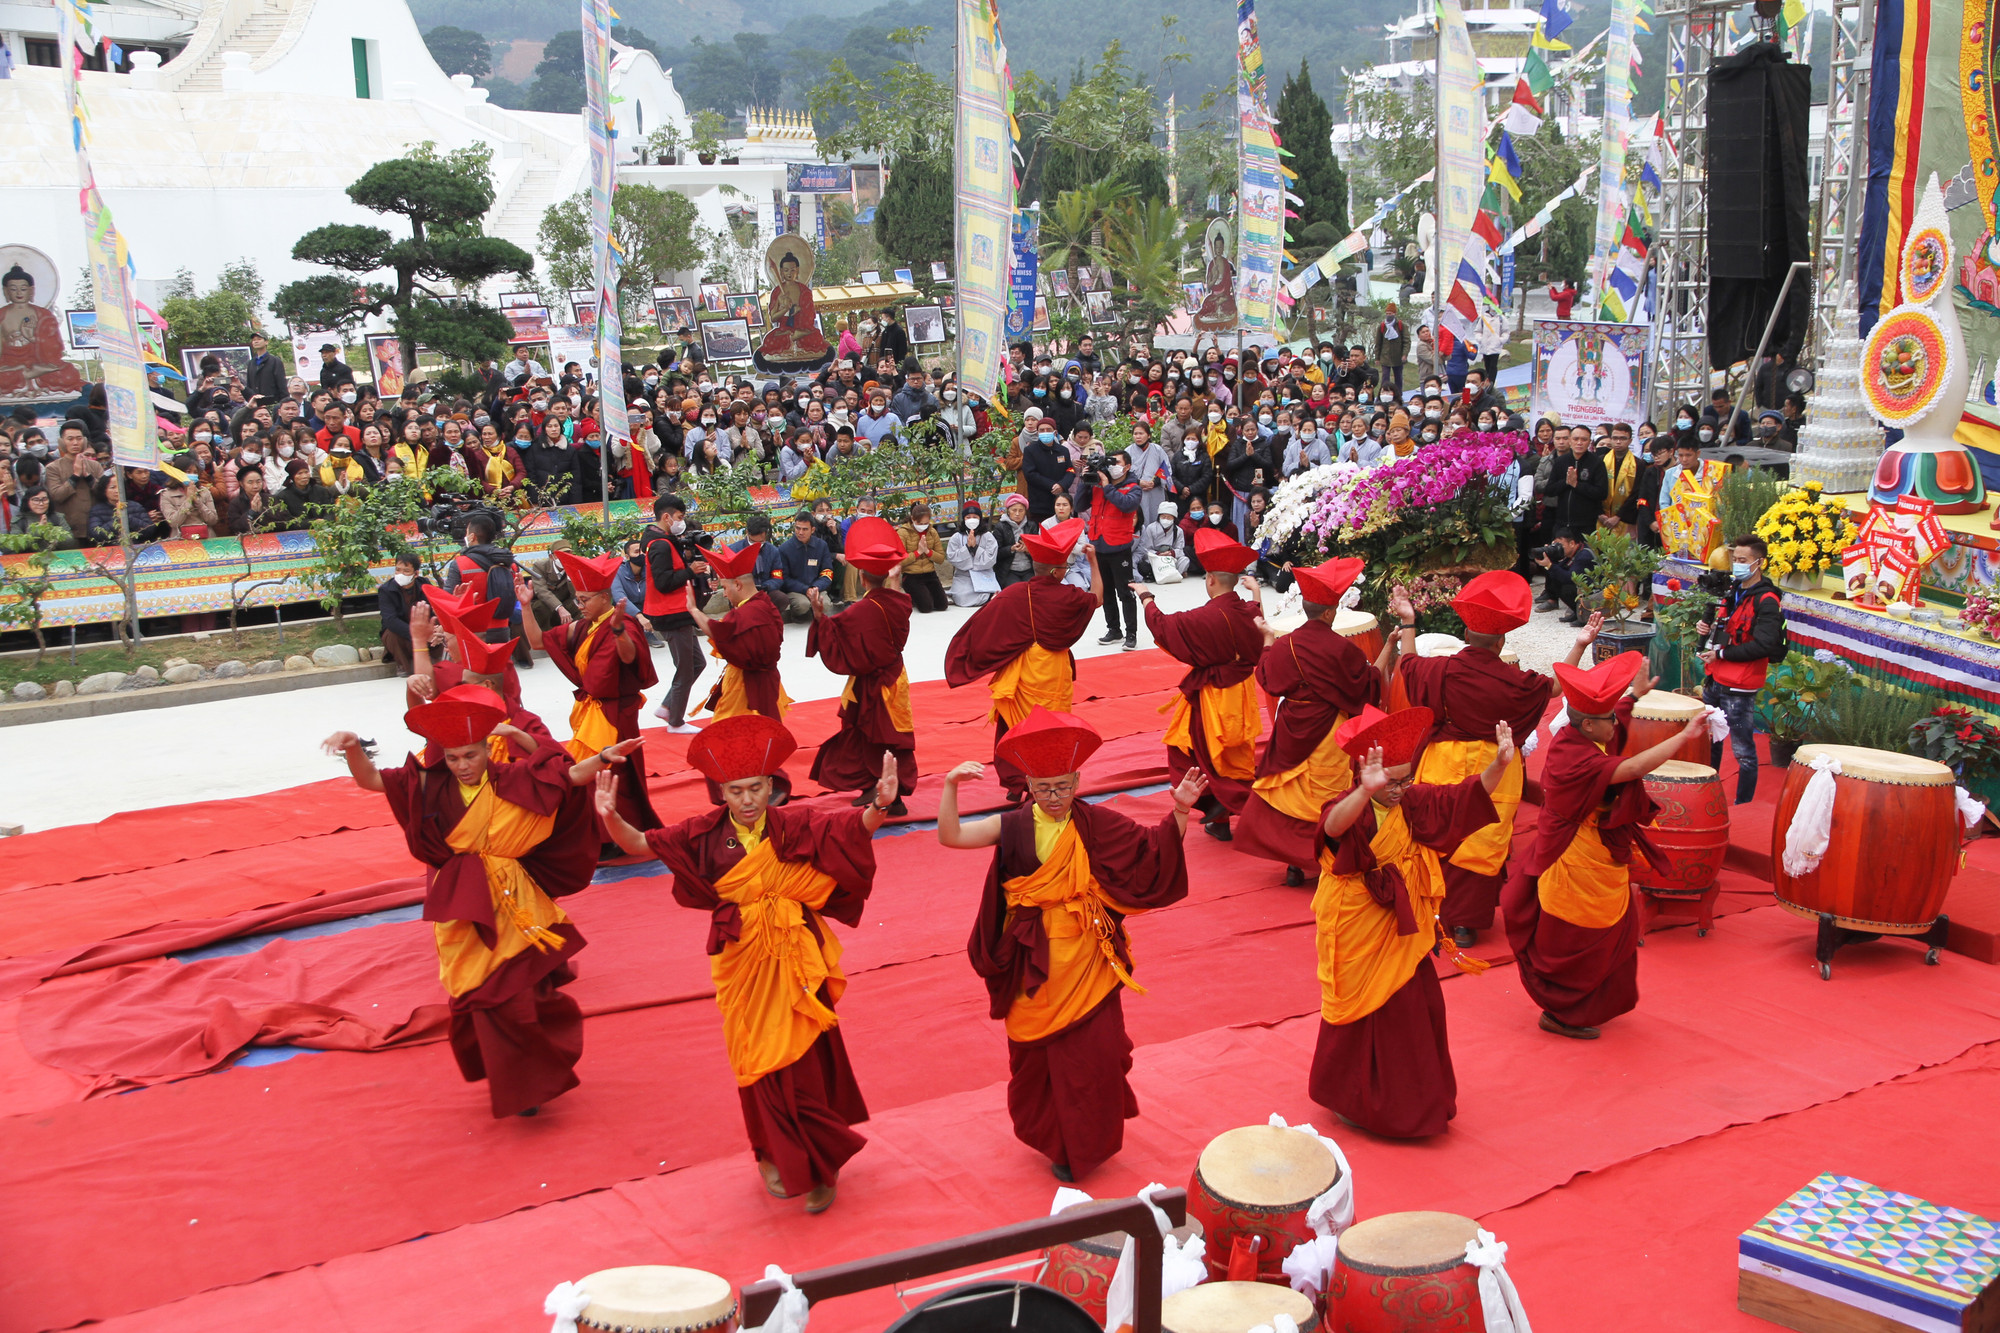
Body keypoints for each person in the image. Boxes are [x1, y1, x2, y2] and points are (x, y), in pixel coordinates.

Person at [595, 714, 895, 1212]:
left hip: (797, 958)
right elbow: (641, 845)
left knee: (802, 1061)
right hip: (744, 963)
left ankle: (819, 1158)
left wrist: (880, 803)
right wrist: (610, 816)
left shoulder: (793, 823)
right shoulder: (704, 833)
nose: (748, 800)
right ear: (721, 792)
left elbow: (849, 829)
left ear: (772, 786)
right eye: (735, 791)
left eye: (756, 788)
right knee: (757, 1058)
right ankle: (774, 1148)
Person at [321, 688, 632, 1117]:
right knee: (479, 994)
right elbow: (371, 781)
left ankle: (531, 1078)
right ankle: (516, 1074)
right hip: (461, 904)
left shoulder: (511, 779)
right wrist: (354, 747)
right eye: (453, 758)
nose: (462, 766)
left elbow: (569, 776)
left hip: (517, 901)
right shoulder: (429, 784)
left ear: (488, 749)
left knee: (526, 995)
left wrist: (605, 757)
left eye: (470, 755)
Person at [939, 708, 1206, 1180]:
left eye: (1064, 786)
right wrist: (951, 787)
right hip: (1033, 959)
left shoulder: (1093, 821)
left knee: (1096, 1054)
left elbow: (1150, 852)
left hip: (1087, 956)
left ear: (1078, 779)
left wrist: (1180, 810)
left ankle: (1089, 1140)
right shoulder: (1015, 825)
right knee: (1035, 1054)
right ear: (1028, 786)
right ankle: (1054, 1140)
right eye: (1044, 789)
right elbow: (952, 836)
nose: (1056, 797)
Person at [1309, 706, 1512, 1137]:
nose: (1399, 789)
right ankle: (1351, 1097)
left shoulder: (1412, 802)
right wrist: (1365, 792)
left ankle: (1412, 1103)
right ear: (1364, 774)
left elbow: (1462, 797)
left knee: (1413, 1010)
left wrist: (1499, 765)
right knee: (1363, 1010)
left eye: (1405, 779)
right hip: (1357, 919)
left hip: (1405, 926)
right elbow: (1332, 825)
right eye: (1391, 782)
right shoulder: (1352, 804)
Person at [1504, 652, 1705, 1038]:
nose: (1615, 724)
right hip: (1571, 857)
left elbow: (1611, 738)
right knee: (1578, 932)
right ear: (1590, 724)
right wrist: (1682, 736)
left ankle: (1586, 1004)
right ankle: (1562, 1011)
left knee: (1610, 930)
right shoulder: (1571, 758)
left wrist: (1633, 697)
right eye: (1609, 718)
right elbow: (1628, 768)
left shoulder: (1581, 737)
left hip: (1596, 850)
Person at [1395, 572, 1596, 947]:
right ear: (1502, 640)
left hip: (1443, 760)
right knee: (1480, 841)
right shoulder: (1513, 680)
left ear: (1466, 636)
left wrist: (1409, 620)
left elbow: (1407, 663)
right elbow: (1554, 687)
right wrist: (1580, 644)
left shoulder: (1440, 669)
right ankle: (1465, 924)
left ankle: (1429, 908)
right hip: (1496, 764)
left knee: (1438, 831)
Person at [1236, 558, 1384, 886]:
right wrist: (1385, 655)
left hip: (1292, 726)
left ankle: (1294, 864)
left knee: (1292, 792)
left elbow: (1267, 677)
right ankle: (1325, 857)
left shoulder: (1287, 643)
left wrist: (1267, 641)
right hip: (1329, 730)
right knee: (1327, 795)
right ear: (1330, 613)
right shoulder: (1342, 650)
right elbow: (1367, 688)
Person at [944, 519, 1105, 804]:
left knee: (1014, 725)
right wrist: (1092, 561)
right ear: (1057, 571)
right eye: (1065, 568)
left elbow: (982, 626)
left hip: (1023, 669)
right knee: (1050, 728)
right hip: (1053, 671)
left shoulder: (1017, 593)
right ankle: (1047, 778)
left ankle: (1015, 783)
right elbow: (1098, 598)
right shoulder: (1069, 596)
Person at [517, 550, 661, 841]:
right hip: (591, 711)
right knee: (594, 774)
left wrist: (619, 631)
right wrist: (526, 606)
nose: (578, 605)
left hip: (616, 713)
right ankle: (599, 833)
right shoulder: (582, 627)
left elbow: (629, 654)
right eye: (577, 598)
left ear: (604, 598)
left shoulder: (626, 625)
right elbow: (536, 641)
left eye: (584, 600)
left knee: (616, 777)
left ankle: (616, 835)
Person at [1135, 528, 1266, 840]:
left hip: (1213, 697)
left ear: (1209, 579)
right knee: (1235, 756)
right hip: (1243, 693)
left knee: (1196, 753)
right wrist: (1257, 592)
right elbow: (1257, 619)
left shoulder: (1204, 618)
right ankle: (1220, 821)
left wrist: (1146, 597)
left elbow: (1164, 627)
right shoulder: (1247, 612)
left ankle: (1240, 811)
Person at [807, 526, 917, 817]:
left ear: (863, 577)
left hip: (871, 683)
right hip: (896, 678)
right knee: (890, 736)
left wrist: (820, 617)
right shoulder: (901, 603)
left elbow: (835, 636)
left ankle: (889, 795)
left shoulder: (859, 611)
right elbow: (895, 595)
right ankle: (880, 786)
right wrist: (894, 579)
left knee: (873, 736)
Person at [1696, 534, 1786, 803]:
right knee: (1709, 742)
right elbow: (1730, 629)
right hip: (1716, 678)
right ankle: (1706, 795)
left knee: (1743, 751)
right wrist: (1708, 631)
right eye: (1735, 560)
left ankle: (1742, 803)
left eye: (1743, 560)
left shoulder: (1767, 600)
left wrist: (1722, 652)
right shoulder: (1733, 591)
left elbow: (1765, 645)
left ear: (1760, 562)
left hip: (1740, 685)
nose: (1737, 565)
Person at [640, 494, 707, 734]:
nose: (682, 522)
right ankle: (676, 721)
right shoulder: (659, 544)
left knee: (697, 663)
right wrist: (690, 571)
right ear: (666, 517)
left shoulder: (658, 538)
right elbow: (663, 582)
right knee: (686, 668)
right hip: (670, 613)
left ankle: (669, 706)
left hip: (678, 611)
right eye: (680, 517)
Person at [1079, 445, 1142, 648]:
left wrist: (1107, 486)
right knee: (1106, 592)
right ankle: (1114, 629)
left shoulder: (1133, 487)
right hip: (1099, 545)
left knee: (1126, 592)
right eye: (1110, 462)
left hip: (1119, 546)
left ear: (1127, 467)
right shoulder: (1098, 484)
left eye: (1117, 463)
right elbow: (1079, 505)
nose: (1112, 467)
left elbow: (1127, 505)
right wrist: (1085, 480)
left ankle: (1131, 633)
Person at [377, 553, 429, 675]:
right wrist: (414, 633)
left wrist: (430, 630)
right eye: (398, 570)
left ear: (415, 574)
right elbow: (390, 620)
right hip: (401, 631)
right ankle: (404, 665)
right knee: (392, 634)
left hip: (422, 628)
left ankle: (433, 661)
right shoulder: (386, 590)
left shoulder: (424, 585)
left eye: (406, 571)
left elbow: (432, 610)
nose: (400, 574)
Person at [897, 501, 949, 613]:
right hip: (911, 575)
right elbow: (899, 561)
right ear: (913, 519)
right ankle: (914, 597)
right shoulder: (903, 532)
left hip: (930, 573)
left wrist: (927, 551)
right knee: (926, 607)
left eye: (925, 523)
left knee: (942, 605)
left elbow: (940, 558)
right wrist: (918, 552)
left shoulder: (932, 532)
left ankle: (923, 595)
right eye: (920, 523)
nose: (923, 526)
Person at [946, 502, 1001, 607]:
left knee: (986, 592)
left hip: (983, 573)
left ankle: (989, 595)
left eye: (975, 517)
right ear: (964, 519)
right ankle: (988, 597)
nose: (971, 519)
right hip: (964, 575)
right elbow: (952, 557)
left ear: (980, 518)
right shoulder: (956, 537)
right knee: (961, 598)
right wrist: (967, 547)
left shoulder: (988, 536)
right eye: (968, 517)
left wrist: (975, 548)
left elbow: (991, 559)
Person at [1533, 527, 1594, 620]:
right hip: (1584, 591)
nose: (1558, 548)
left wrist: (1549, 565)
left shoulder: (1583, 555)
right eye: (1556, 544)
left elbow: (1569, 578)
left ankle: (1583, 615)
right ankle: (1576, 612)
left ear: (1572, 543)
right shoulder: (1572, 553)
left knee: (1567, 588)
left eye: (1560, 545)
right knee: (1556, 580)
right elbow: (1558, 571)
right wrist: (1551, 557)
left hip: (1594, 593)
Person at [1133, 501, 1188, 581]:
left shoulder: (1178, 531)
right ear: (1159, 516)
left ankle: (1173, 574)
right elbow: (1146, 549)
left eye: (1169, 517)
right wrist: (1158, 554)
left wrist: (1171, 553)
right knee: (1143, 565)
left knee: (1185, 560)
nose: (1166, 519)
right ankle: (1162, 574)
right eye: (1163, 516)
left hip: (1170, 558)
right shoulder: (1151, 528)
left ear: (1174, 518)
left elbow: (1180, 549)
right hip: (1155, 558)